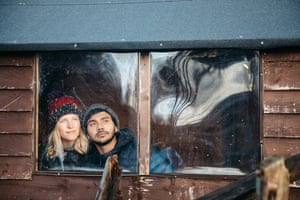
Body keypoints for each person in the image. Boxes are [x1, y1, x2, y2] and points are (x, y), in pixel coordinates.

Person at [83, 104, 183, 173]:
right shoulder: (85, 160)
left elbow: (167, 187)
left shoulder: (143, 154)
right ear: (87, 134)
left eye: (105, 121)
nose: (100, 127)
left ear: (116, 128)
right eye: (93, 124)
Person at [40, 95, 89, 171]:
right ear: (56, 127)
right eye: (64, 121)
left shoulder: (91, 152)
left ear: (80, 123)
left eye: (74, 119)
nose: (70, 126)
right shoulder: (47, 159)